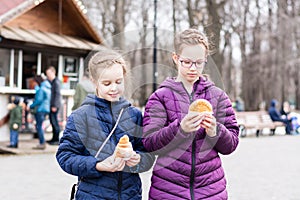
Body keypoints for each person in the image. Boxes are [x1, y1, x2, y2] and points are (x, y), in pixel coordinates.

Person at [142, 28, 240, 199]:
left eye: (199, 62)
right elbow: (149, 143)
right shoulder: (160, 97)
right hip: (168, 190)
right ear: (175, 58)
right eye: (186, 62)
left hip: (211, 189)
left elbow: (231, 144)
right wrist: (180, 129)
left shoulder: (218, 96)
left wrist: (214, 131)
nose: (193, 68)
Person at [56, 48, 155, 199]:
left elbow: (147, 154)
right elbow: (65, 156)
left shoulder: (134, 115)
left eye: (118, 82)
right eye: (107, 83)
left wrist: (138, 159)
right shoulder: (81, 116)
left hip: (130, 194)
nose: (114, 88)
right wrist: (97, 165)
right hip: (92, 195)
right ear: (95, 82)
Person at [29, 75, 51, 150]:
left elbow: (38, 100)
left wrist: (31, 106)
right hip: (45, 109)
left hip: (40, 109)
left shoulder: (42, 89)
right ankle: (42, 142)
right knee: (40, 126)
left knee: (39, 126)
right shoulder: (47, 87)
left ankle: (42, 143)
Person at [45, 66, 62, 145]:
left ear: (53, 72)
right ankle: (53, 138)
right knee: (52, 122)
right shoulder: (52, 82)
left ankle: (56, 139)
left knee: (55, 122)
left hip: (55, 105)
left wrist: (54, 105)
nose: (47, 75)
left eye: (48, 73)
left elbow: (57, 94)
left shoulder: (56, 82)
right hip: (53, 105)